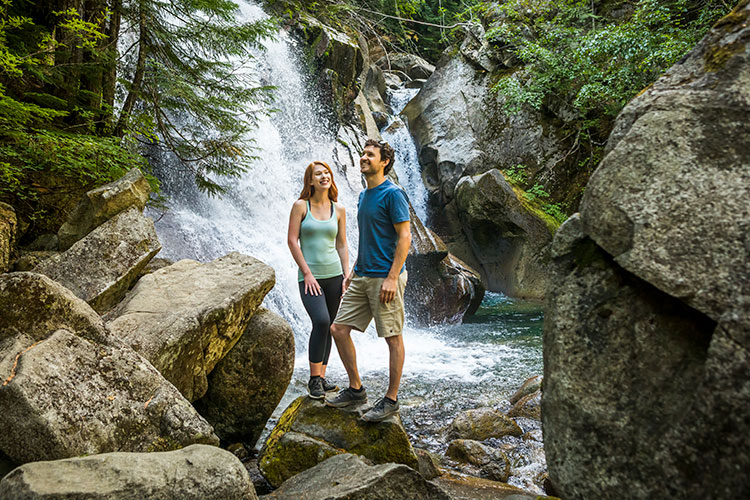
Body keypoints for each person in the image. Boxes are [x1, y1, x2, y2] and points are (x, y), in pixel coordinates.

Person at [325, 139, 411, 422]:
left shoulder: (393, 194)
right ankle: (356, 388)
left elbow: (405, 237)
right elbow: (368, 238)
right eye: (362, 154)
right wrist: (353, 270)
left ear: (384, 162)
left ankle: (391, 399)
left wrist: (392, 277)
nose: (363, 158)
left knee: (392, 337)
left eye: (369, 155)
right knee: (338, 329)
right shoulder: (364, 195)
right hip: (363, 275)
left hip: (385, 278)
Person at [287, 161, 349, 399]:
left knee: (331, 326)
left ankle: (321, 378)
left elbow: (342, 244)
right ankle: (314, 380)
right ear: (310, 181)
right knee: (321, 321)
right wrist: (307, 273)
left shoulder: (339, 209)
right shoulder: (301, 206)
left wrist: (346, 275)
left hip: (334, 276)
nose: (324, 176)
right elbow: (292, 241)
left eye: (327, 173)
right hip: (309, 277)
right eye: (318, 174)